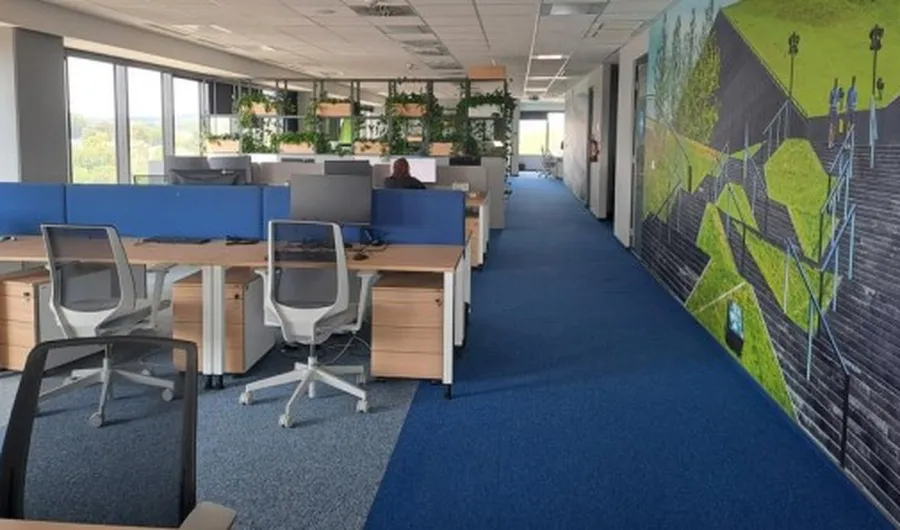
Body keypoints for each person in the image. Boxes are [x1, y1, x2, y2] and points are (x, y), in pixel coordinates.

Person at [828, 78, 844, 148]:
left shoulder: (833, 91)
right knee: (833, 127)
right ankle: (831, 142)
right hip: (835, 109)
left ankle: (831, 142)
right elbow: (840, 101)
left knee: (832, 126)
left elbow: (830, 102)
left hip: (833, 109)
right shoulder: (836, 92)